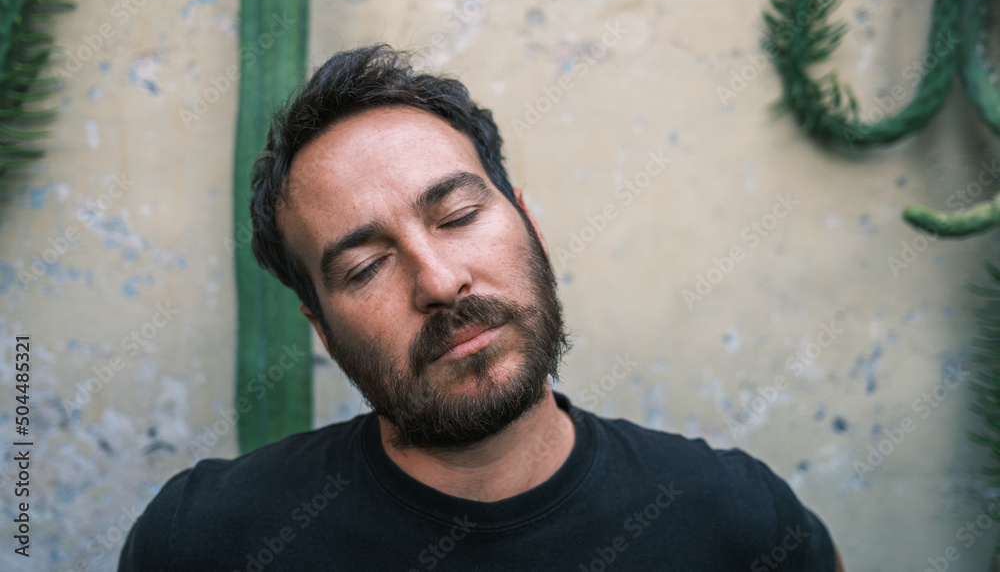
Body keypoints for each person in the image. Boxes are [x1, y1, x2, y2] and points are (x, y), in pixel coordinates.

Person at [119, 44, 843, 571]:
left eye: (459, 215)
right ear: (324, 331)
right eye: (366, 266)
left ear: (530, 224)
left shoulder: (741, 521)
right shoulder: (202, 541)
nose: (438, 280)